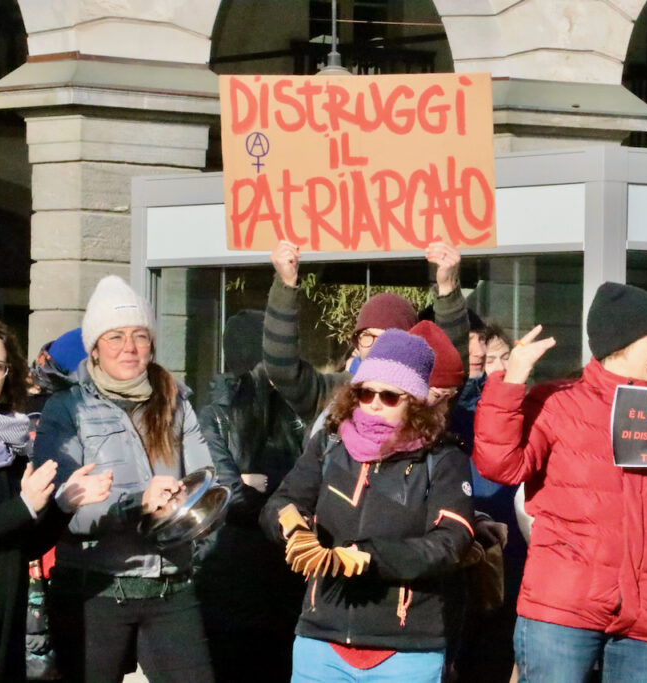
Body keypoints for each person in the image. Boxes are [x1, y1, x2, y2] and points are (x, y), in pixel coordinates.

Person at [473, 282, 647, 683]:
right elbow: (499, 465)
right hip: (562, 614)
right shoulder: (557, 402)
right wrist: (511, 381)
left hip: (645, 618)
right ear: (622, 342)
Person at [260, 329, 475, 683]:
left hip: (406, 649)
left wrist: (371, 558)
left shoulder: (444, 458)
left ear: (417, 400)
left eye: (390, 396)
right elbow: (281, 502)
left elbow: (451, 541)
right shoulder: (328, 445)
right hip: (320, 638)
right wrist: (290, 526)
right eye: (365, 392)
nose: (374, 403)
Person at [34, 275, 216, 682]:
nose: (129, 348)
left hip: (172, 586)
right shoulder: (66, 410)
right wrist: (137, 504)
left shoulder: (176, 402)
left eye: (140, 336)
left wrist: (187, 508)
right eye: (115, 336)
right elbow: (60, 511)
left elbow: (208, 482)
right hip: (93, 591)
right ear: (94, 348)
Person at [0, 314, 112, 683]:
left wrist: (61, 506)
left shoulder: (8, 442)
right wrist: (23, 506)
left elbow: (26, 543)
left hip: (4, 625)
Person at [196, 309, 306, 683]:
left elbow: (308, 484)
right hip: (228, 579)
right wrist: (274, 494)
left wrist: (261, 483)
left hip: (284, 579)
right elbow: (225, 493)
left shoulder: (293, 413)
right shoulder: (213, 416)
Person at [265, 239, 470, 427]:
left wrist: (448, 288)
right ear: (356, 343)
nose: (377, 347)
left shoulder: (425, 401)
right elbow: (282, 370)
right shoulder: (333, 393)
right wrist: (285, 284)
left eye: (389, 338)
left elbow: (451, 367)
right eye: (368, 337)